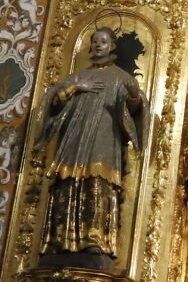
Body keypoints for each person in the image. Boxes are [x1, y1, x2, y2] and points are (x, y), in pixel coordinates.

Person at [38, 26, 149, 267]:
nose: (99, 45)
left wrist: (133, 97)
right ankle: (60, 238)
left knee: (98, 182)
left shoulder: (120, 77)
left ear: (112, 46)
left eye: (103, 41)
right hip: (74, 138)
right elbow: (55, 102)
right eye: (95, 41)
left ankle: (95, 238)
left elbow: (134, 111)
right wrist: (75, 88)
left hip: (103, 139)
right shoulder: (79, 76)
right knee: (68, 180)